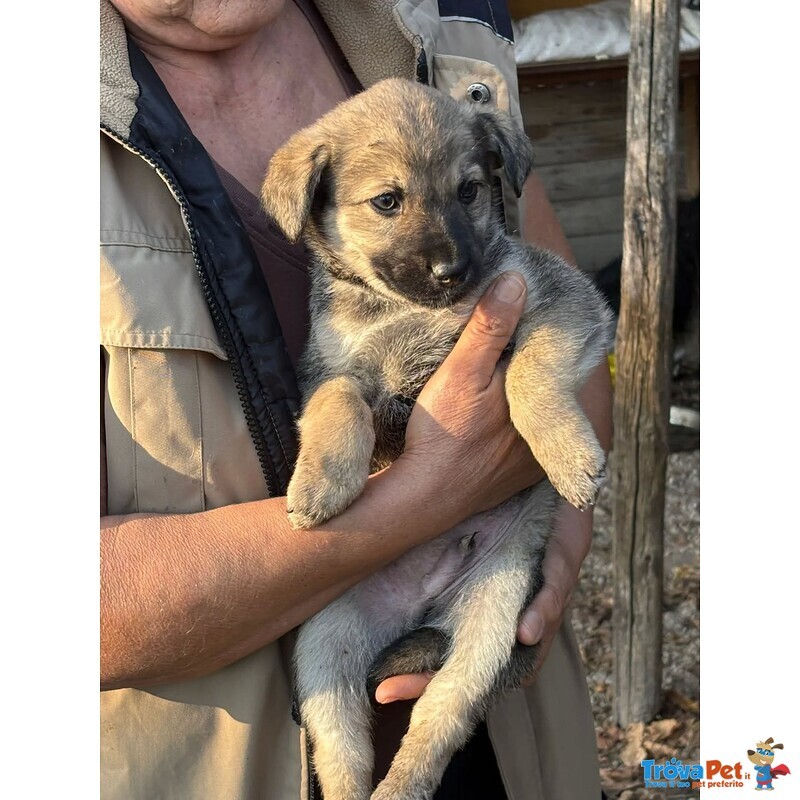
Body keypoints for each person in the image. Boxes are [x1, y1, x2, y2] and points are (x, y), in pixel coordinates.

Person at [100, 0, 613, 797]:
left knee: (466, 676)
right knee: (332, 665)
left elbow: (567, 309)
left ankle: (420, 760)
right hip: (217, 758)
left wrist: (563, 545)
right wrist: (419, 498)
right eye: (387, 204)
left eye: (464, 195)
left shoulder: (446, 30)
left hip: (510, 738)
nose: (446, 259)